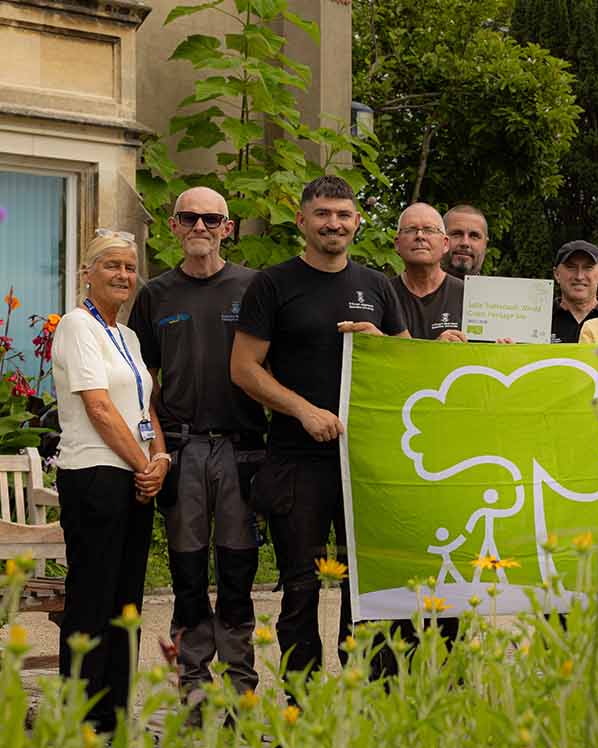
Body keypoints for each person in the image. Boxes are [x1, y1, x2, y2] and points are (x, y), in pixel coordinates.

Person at [230, 176, 407, 682]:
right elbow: (244, 368)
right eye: (324, 214)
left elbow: (406, 365)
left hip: (365, 463)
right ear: (303, 220)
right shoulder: (272, 284)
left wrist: (380, 343)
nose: (335, 223)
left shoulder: (378, 287)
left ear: (356, 222)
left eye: (344, 215)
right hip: (296, 461)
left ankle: (372, 693)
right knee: (302, 587)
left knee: (368, 585)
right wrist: (303, 410)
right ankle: (300, 702)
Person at [126, 187, 265, 713]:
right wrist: (151, 448)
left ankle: (239, 680)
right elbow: (143, 382)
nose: (201, 226)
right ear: (174, 225)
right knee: (187, 569)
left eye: (212, 218)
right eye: (190, 217)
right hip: (182, 451)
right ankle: (193, 681)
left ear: (228, 227)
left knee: (237, 567)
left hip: (241, 449)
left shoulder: (254, 288)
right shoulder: (156, 295)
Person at [50, 230, 166, 734]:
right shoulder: (78, 326)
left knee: (126, 603)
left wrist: (158, 456)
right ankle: (81, 716)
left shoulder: (129, 336)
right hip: (96, 474)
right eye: (112, 266)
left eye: (130, 267)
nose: (123, 275)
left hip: (135, 475)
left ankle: (115, 714)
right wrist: (142, 465)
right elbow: (97, 406)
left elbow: (144, 407)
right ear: (88, 273)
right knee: (93, 599)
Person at [391, 202, 468, 341]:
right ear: (397, 244)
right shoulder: (384, 294)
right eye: (410, 230)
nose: (420, 236)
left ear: (445, 244)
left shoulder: (466, 295)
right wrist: (436, 348)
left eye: (429, 230)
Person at [549, 240, 598, 343]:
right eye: (571, 267)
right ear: (557, 274)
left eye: (588, 268)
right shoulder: (538, 320)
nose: (579, 276)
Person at [442, 204, 489, 278]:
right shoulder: (417, 288)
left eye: (474, 236)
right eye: (456, 234)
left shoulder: (499, 289)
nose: (465, 243)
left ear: (485, 244)